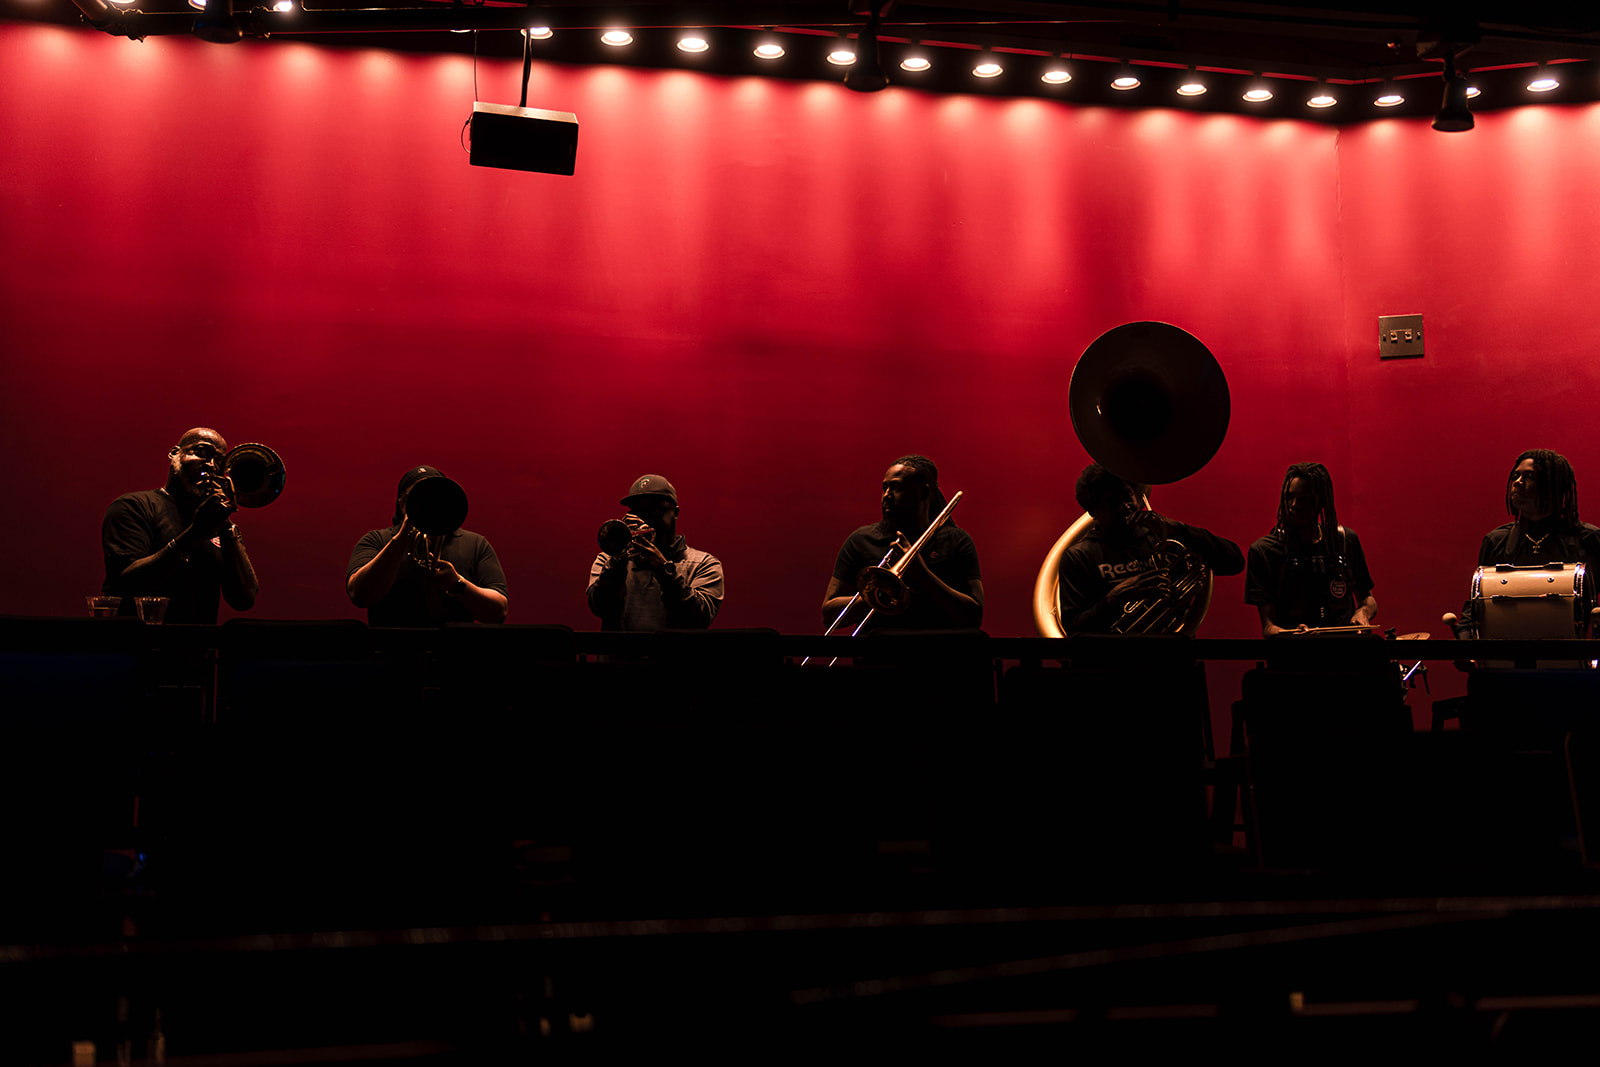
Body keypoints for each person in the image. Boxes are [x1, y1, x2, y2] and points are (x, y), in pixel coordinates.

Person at [1057, 463, 1243, 634]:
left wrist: (1179, 528)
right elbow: (1074, 629)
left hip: (1172, 658)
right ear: (1092, 512)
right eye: (1112, 502)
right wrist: (1115, 598)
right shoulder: (1079, 557)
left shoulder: (1164, 538)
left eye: (1128, 495)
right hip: (1111, 663)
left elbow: (1235, 561)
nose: (1126, 506)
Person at [101, 427, 260, 624]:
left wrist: (226, 524)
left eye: (219, 461)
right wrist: (196, 533)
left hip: (197, 650)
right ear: (175, 454)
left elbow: (243, 600)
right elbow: (127, 584)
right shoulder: (134, 506)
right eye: (201, 452)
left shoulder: (216, 524)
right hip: (137, 648)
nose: (211, 465)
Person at [822, 455, 983, 632]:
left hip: (941, 654)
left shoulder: (957, 540)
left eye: (897, 487)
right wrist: (879, 592)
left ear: (924, 492)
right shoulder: (860, 540)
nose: (886, 495)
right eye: (885, 487)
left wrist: (922, 574)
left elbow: (974, 616)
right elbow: (829, 615)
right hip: (878, 655)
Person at [346, 466, 508, 626]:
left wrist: (457, 584)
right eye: (419, 497)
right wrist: (400, 540)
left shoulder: (476, 544)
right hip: (390, 648)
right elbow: (359, 595)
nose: (429, 503)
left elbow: (499, 611)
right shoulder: (376, 540)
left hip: (455, 650)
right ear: (402, 504)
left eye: (436, 497)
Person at [1245, 462, 1377, 636]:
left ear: (1320, 500)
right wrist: (1288, 634)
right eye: (1289, 497)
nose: (1294, 505)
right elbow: (1268, 627)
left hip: (1345, 654)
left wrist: (1362, 613)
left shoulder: (1346, 541)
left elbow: (1368, 599)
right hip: (1295, 658)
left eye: (1303, 499)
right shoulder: (1264, 552)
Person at [587, 474, 722, 631]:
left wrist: (663, 570)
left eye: (656, 510)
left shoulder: (704, 564)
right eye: (637, 511)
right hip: (622, 656)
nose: (645, 519)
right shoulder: (608, 559)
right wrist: (618, 561)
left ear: (676, 513)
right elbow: (599, 607)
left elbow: (699, 619)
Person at [1478, 449, 1600, 568]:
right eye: (1516, 476)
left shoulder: (1588, 540)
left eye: (1529, 476)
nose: (1517, 482)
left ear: (1552, 485)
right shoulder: (1496, 542)